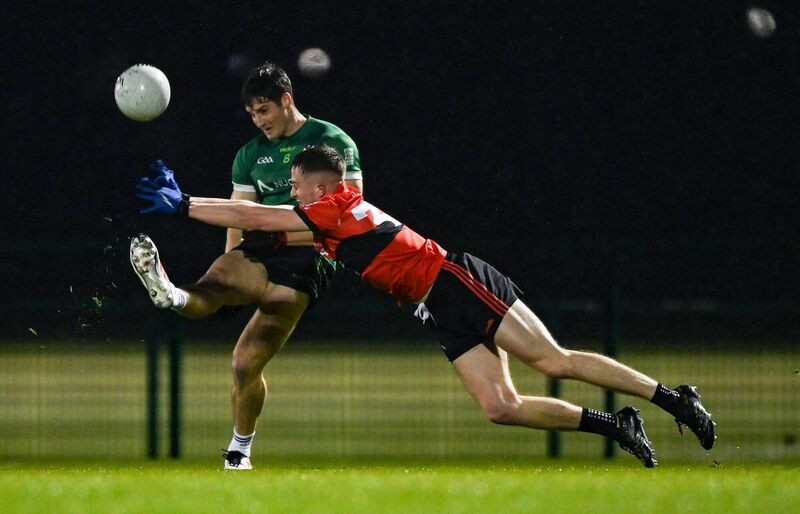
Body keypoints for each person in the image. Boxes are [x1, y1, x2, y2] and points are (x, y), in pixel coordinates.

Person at [134, 145, 717, 468]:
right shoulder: (329, 219)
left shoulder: (337, 206)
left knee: (553, 360)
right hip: (435, 307)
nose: (292, 191)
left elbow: (257, 216)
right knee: (501, 407)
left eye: (295, 182)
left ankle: (673, 398)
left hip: (455, 282)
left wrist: (184, 206)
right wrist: (193, 205)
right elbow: (265, 227)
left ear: (320, 186)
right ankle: (616, 425)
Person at [130, 62, 363, 470]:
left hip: (309, 257)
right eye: (252, 114)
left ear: (286, 100)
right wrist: (230, 260)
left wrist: (188, 205)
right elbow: (239, 218)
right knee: (215, 294)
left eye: (264, 110)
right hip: (261, 248)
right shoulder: (250, 155)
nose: (259, 121)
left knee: (247, 361)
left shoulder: (330, 141)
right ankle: (172, 294)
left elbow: (349, 216)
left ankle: (239, 449)